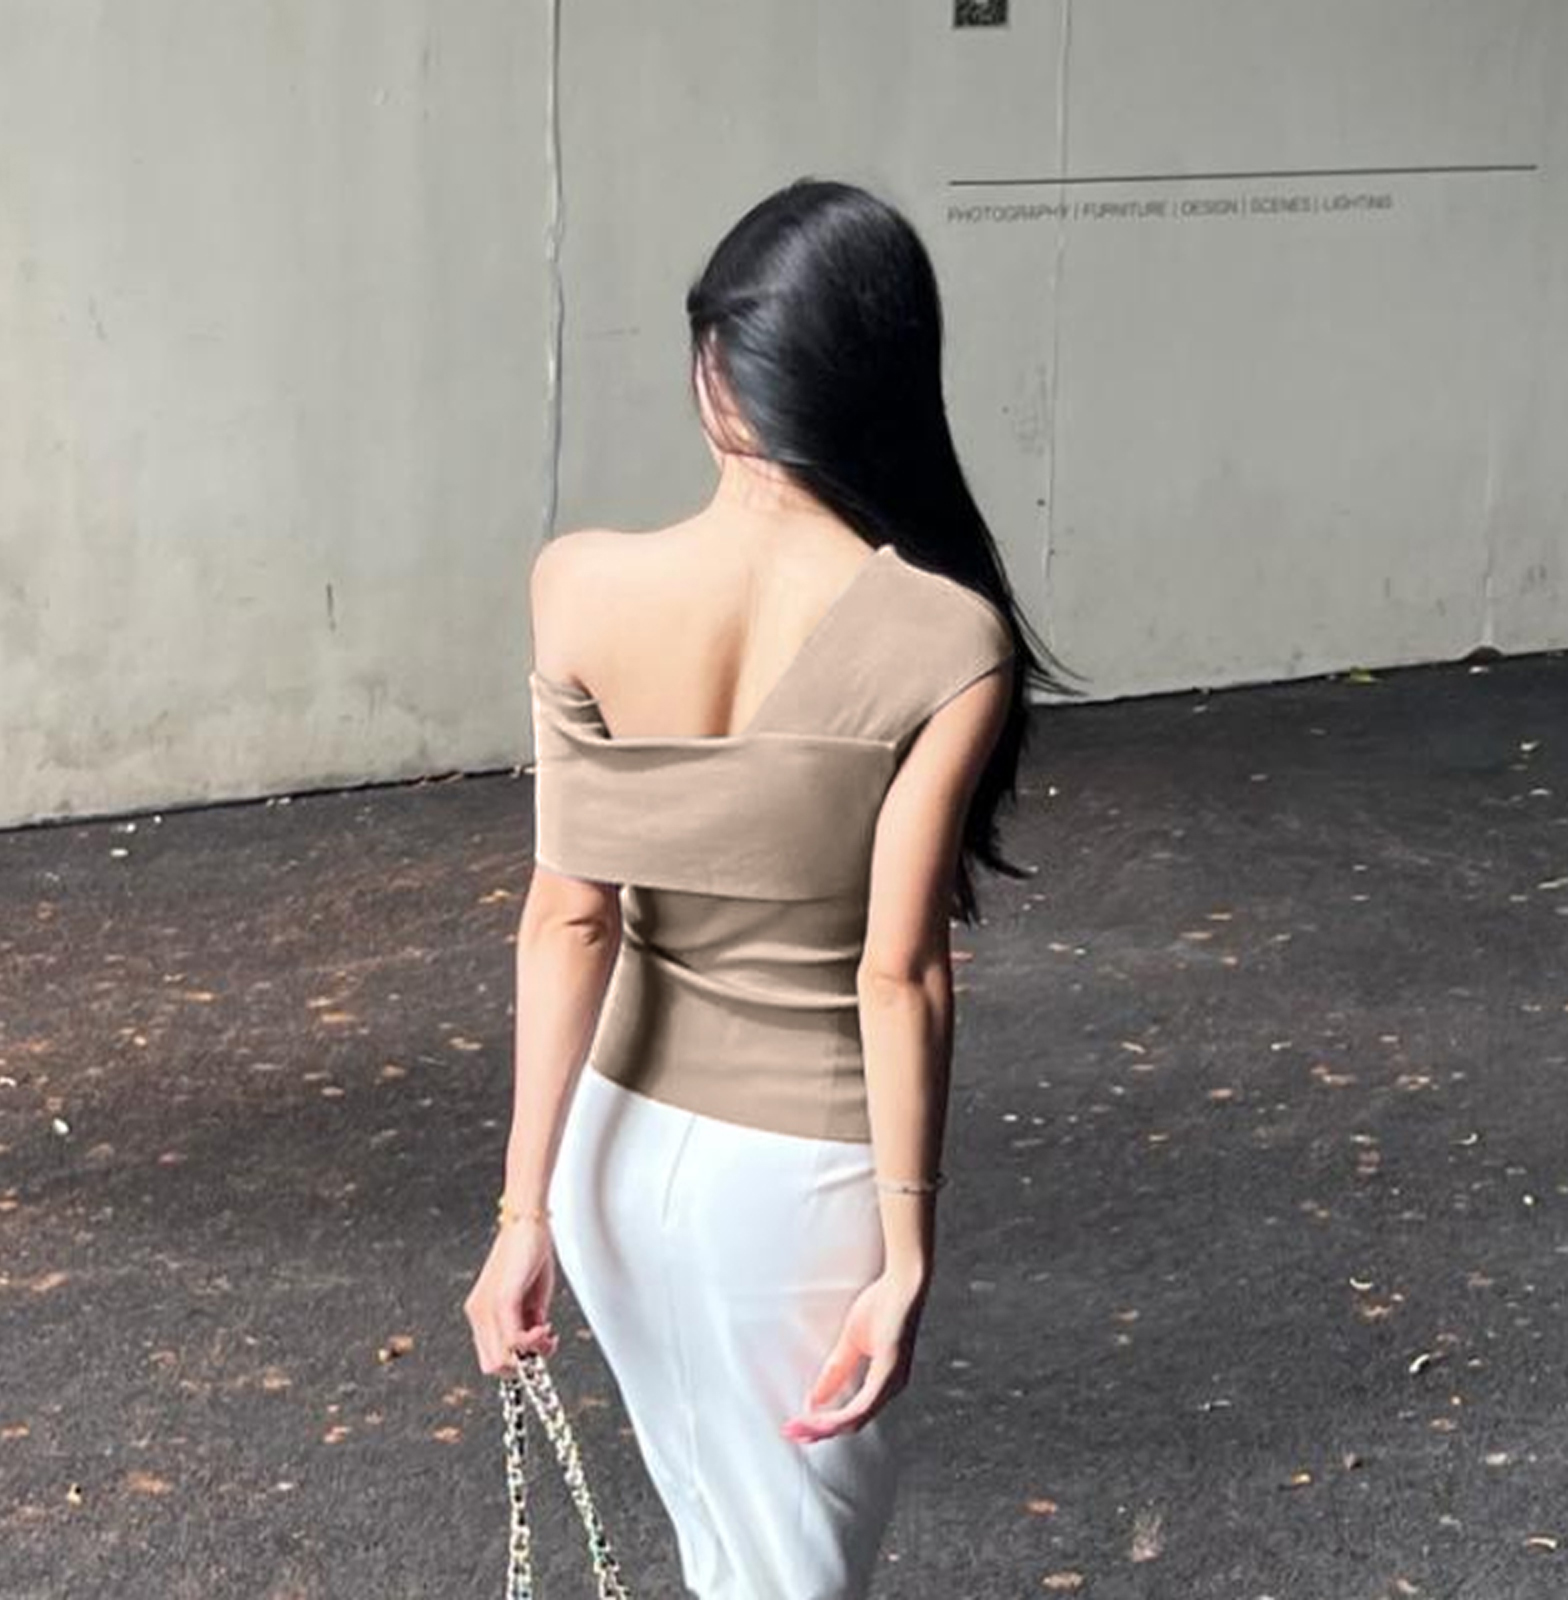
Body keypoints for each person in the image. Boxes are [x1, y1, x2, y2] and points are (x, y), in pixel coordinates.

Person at [464, 176, 1080, 1599]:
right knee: (795, 1575)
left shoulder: (577, 583)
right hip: (797, 1190)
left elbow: (569, 915)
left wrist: (523, 1216)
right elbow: (899, 973)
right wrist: (908, 1251)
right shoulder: (949, 636)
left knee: (721, 1546)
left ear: (715, 367)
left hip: (611, 1160)